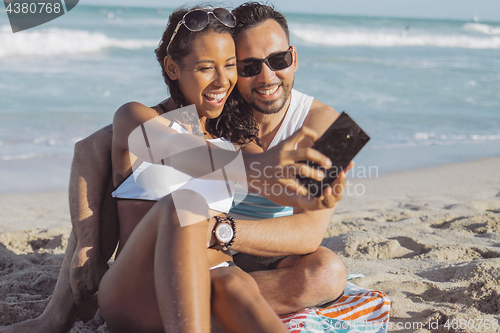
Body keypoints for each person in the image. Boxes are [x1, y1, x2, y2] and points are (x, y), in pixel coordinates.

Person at [0, 2, 350, 333]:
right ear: (173, 68)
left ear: (295, 57)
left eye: (278, 59)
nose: (266, 76)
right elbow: (113, 147)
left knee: (308, 275)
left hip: (241, 259)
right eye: (247, 66)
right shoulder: (151, 117)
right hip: (140, 282)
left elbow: (308, 229)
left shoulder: (334, 130)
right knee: (186, 206)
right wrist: (84, 255)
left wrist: (224, 223)